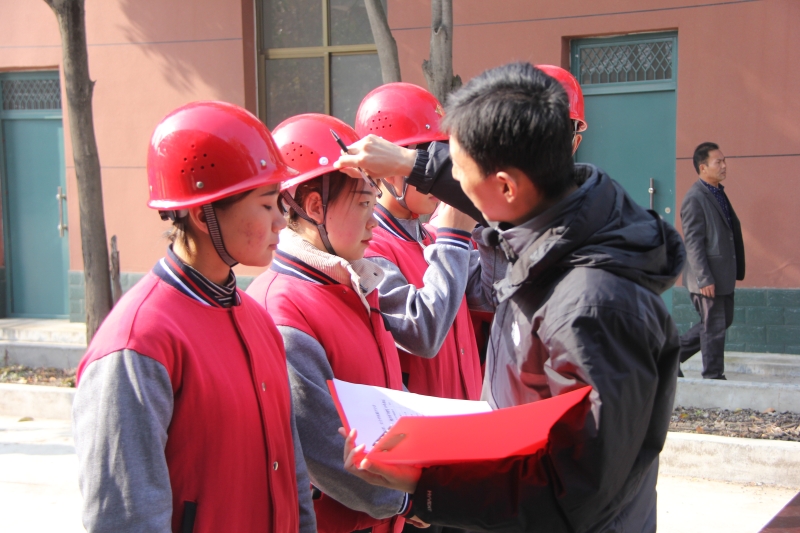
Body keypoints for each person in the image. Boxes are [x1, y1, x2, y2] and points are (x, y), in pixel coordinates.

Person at [341, 62, 686, 533]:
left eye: (460, 171)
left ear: (505, 185)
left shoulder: (590, 308)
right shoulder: (560, 222)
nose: (453, 189)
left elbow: (575, 490)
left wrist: (430, 491)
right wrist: (413, 164)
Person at [72, 101, 316, 533]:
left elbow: (291, 473)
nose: (282, 221)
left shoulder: (257, 319)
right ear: (204, 214)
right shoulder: (138, 344)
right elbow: (125, 518)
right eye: (266, 205)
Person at [246, 113, 418, 533]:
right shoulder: (283, 308)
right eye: (363, 204)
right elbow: (322, 445)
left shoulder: (352, 282)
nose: (374, 221)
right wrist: (407, 498)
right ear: (314, 207)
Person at [354, 82, 502, 401]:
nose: (435, 177)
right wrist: (454, 238)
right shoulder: (367, 246)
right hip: (423, 423)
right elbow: (420, 334)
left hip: (466, 413)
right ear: (386, 168)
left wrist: (483, 223)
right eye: (422, 159)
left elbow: (492, 297)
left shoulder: (432, 235)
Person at [678, 142, 745, 379]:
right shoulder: (695, 198)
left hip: (722, 274)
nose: (724, 165)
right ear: (703, 167)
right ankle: (714, 377)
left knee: (721, 321)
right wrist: (704, 278)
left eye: (724, 161)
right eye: (719, 162)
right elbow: (693, 243)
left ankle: (668, 355)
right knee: (714, 326)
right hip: (707, 277)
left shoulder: (717, 192)